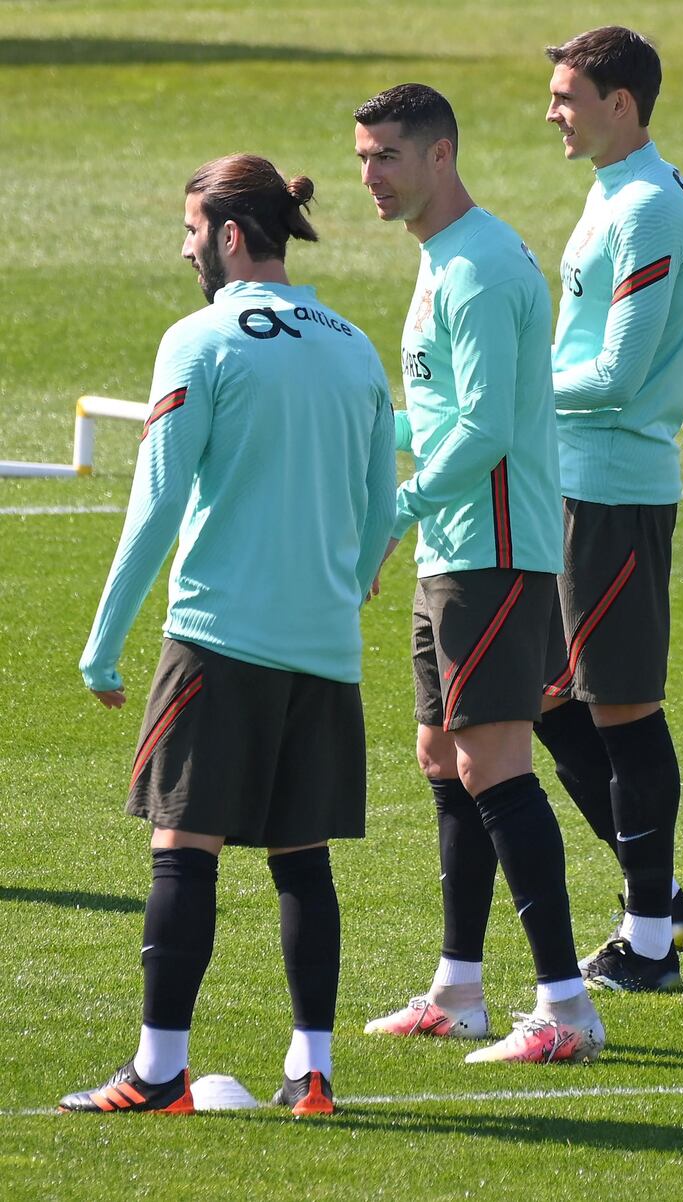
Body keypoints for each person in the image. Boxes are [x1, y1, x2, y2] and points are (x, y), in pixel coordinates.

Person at [58, 154, 396, 1116]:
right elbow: (383, 509)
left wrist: (103, 642)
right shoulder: (353, 346)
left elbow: (156, 502)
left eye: (192, 229)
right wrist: (346, 584)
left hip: (219, 638)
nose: (185, 247)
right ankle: (313, 1070)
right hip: (324, 649)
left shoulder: (200, 340)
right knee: (303, 856)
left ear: (232, 235)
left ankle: (160, 1071)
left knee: (183, 846)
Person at [354, 84, 604, 1064]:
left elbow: (488, 429)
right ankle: (460, 988)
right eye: (362, 157)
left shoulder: (484, 265)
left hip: (494, 550)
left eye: (384, 158)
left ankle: (566, 1011)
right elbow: (445, 412)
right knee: (440, 755)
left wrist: (392, 509)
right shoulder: (440, 259)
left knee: (494, 763)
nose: (367, 177)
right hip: (454, 546)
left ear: (439, 154)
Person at [533, 26, 683, 991]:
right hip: (574, 482)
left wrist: (513, 398)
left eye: (567, 96)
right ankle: (662, 897)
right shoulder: (619, 197)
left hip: (613, 488)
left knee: (624, 708)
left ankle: (647, 942)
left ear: (621, 104)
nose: (552, 112)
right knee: (548, 696)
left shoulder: (646, 208)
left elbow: (619, 373)